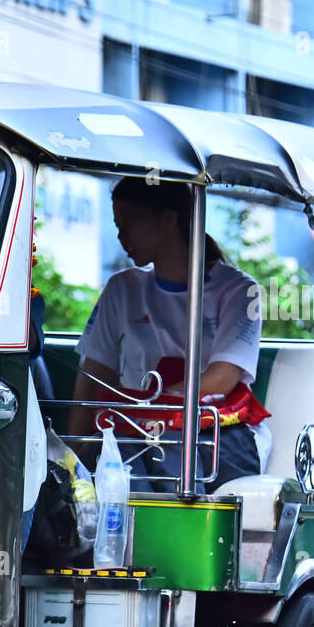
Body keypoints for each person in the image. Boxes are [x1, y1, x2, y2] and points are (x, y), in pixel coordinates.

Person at [68, 177, 268, 493]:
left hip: (216, 432)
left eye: (132, 220)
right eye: (118, 223)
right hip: (135, 432)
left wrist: (144, 409)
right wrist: (72, 461)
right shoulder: (122, 290)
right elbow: (93, 379)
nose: (122, 235)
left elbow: (222, 377)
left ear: (168, 219)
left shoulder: (241, 291)